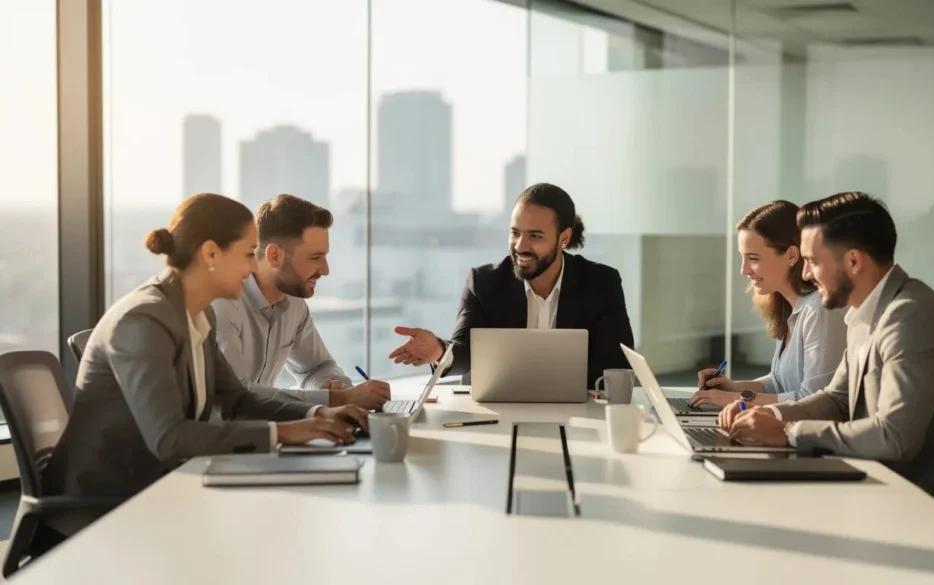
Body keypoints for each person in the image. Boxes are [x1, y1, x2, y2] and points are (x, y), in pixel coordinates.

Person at [42, 193, 368, 537]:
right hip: (101, 512)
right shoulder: (143, 320)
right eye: (247, 254)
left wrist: (315, 417)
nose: (253, 267)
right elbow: (169, 438)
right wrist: (284, 432)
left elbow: (236, 399)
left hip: (159, 490)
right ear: (211, 253)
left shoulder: (195, 315)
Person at [720, 192, 934, 498]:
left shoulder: (911, 318)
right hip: (914, 488)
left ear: (853, 261)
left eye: (813, 261)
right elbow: (837, 399)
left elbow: (895, 437)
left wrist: (789, 433)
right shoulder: (865, 314)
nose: (806, 273)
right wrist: (771, 417)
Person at [388, 183, 635, 389]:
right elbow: (466, 351)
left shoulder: (601, 283)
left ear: (564, 238)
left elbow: (616, 365)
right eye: (515, 233)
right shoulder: (483, 283)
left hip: (577, 414)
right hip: (498, 416)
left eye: (535, 236)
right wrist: (439, 351)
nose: (520, 246)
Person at [212, 194, 390, 410]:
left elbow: (316, 367)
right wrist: (337, 400)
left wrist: (335, 386)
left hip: (266, 430)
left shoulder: (294, 304)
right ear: (275, 256)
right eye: (315, 258)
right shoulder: (223, 303)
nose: (325, 270)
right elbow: (237, 395)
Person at [689, 201, 847, 409]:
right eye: (742, 258)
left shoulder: (819, 310)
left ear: (791, 255)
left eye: (753, 258)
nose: (744, 270)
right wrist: (733, 387)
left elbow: (814, 401)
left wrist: (737, 399)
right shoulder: (789, 306)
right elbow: (780, 382)